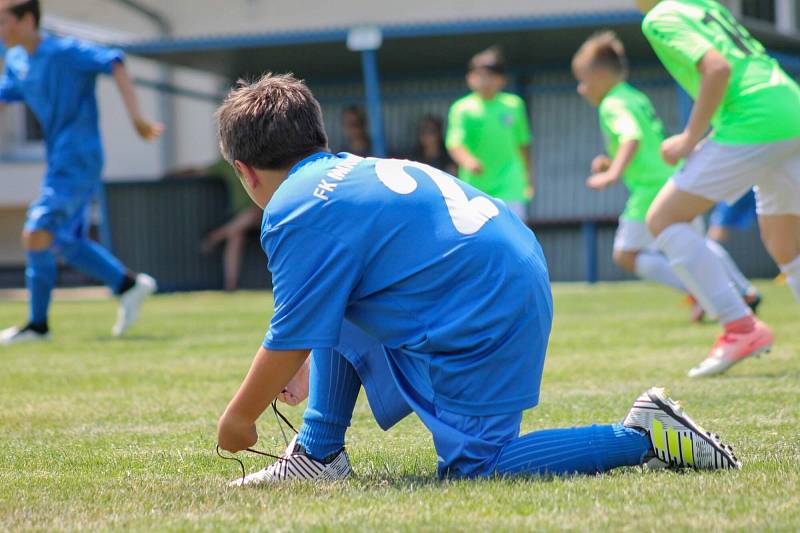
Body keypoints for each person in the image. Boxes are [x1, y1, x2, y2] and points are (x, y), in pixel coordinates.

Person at [213, 73, 740, 485]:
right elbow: (324, 306)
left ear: (246, 171)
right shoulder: (347, 169)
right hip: (505, 273)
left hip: (486, 299)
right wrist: (312, 358)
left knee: (480, 466)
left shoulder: (292, 206)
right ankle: (318, 452)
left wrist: (240, 417)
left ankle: (641, 435)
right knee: (346, 296)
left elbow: (288, 336)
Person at [637, 0, 800, 377]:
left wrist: (690, 139)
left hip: (754, 121)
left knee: (664, 219)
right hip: (789, 109)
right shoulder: (702, 4)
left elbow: (717, 68)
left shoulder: (661, 16)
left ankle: (740, 326)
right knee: (785, 243)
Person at [0, 0, 162, 345]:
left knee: (36, 232)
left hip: (79, 158)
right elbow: (7, 94)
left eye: (4, 21)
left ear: (27, 20)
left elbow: (114, 60)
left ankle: (37, 327)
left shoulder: (64, 51)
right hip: (58, 160)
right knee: (67, 243)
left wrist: (137, 120)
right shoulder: (16, 60)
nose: (1, 29)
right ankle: (127, 284)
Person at [572, 31, 759, 322]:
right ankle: (745, 291)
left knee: (626, 254)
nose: (581, 89)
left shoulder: (612, 104)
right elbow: (641, 142)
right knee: (697, 243)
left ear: (600, 76)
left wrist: (613, 175)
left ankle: (710, 292)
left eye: (583, 81)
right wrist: (611, 164)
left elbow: (631, 138)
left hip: (650, 189)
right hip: (671, 177)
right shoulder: (633, 96)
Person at [446, 46, 534, 222]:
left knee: (514, 236)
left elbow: (523, 143)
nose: (484, 81)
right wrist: (468, 161)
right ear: (469, 78)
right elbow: (454, 143)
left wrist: (527, 178)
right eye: (479, 76)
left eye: (489, 76)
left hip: (511, 185)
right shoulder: (462, 109)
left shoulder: (514, 105)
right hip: (474, 187)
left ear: (502, 79)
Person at [200, 158, 262, 292]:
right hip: (240, 217)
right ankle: (230, 286)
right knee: (235, 236)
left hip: (262, 212)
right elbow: (200, 171)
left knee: (254, 213)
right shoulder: (225, 164)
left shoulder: (260, 160)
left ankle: (215, 237)